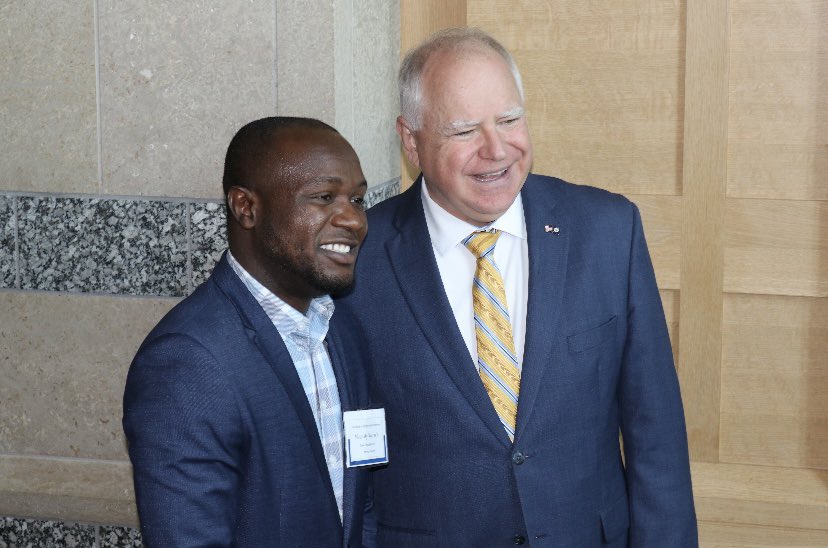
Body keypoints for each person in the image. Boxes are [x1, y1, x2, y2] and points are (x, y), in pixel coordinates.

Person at [336, 28, 697, 546]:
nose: (497, 149)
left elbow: (655, 434)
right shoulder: (359, 262)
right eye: (464, 131)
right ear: (411, 140)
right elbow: (349, 460)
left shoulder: (608, 232)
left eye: (509, 120)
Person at [123, 117, 376, 547]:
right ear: (246, 208)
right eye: (324, 197)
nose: (353, 220)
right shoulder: (186, 364)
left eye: (356, 199)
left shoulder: (341, 326)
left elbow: (363, 502)